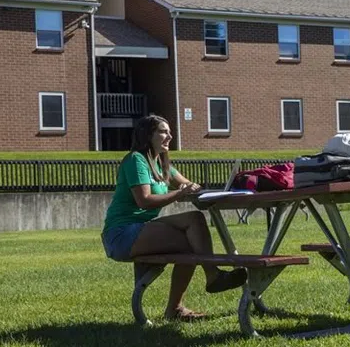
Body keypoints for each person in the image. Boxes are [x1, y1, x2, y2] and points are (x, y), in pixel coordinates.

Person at [101, 114, 247, 321]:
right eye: (163, 131)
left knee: (195, 219)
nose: (169, 136)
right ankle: (178, 306)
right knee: (190, 242)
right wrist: (179, 193)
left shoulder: (161, 164)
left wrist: (194, 189)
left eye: (169, 132)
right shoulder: (136, 160)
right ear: (147, 135)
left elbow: (187, 185)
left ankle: (209, 277)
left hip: (142, 228)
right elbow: (144, 200)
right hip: (121, 233)